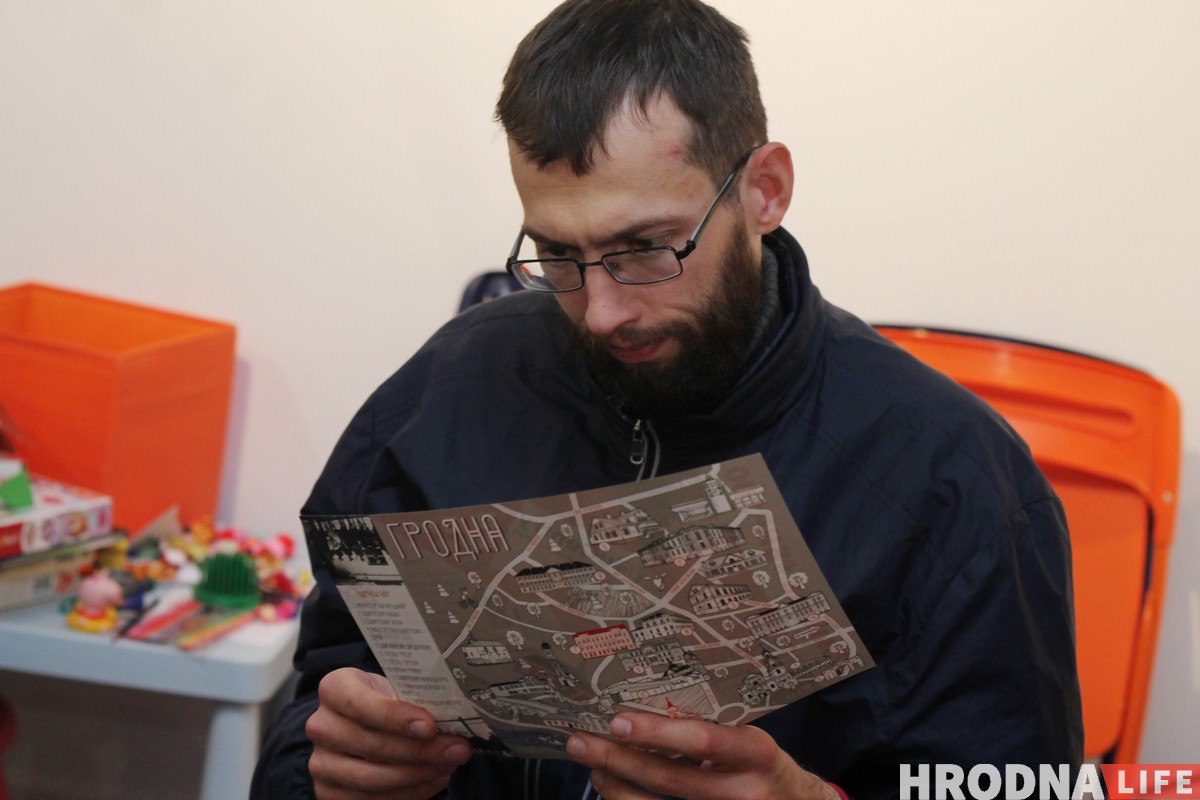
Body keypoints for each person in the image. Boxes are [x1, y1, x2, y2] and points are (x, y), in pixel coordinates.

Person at [251, 1, 1083, 798]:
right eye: (557, 254)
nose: (602, 311)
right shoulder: (442, 394)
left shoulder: (953, 482)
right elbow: (321, 697)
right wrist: (327, 773)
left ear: (764, 190)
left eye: (645, 248)